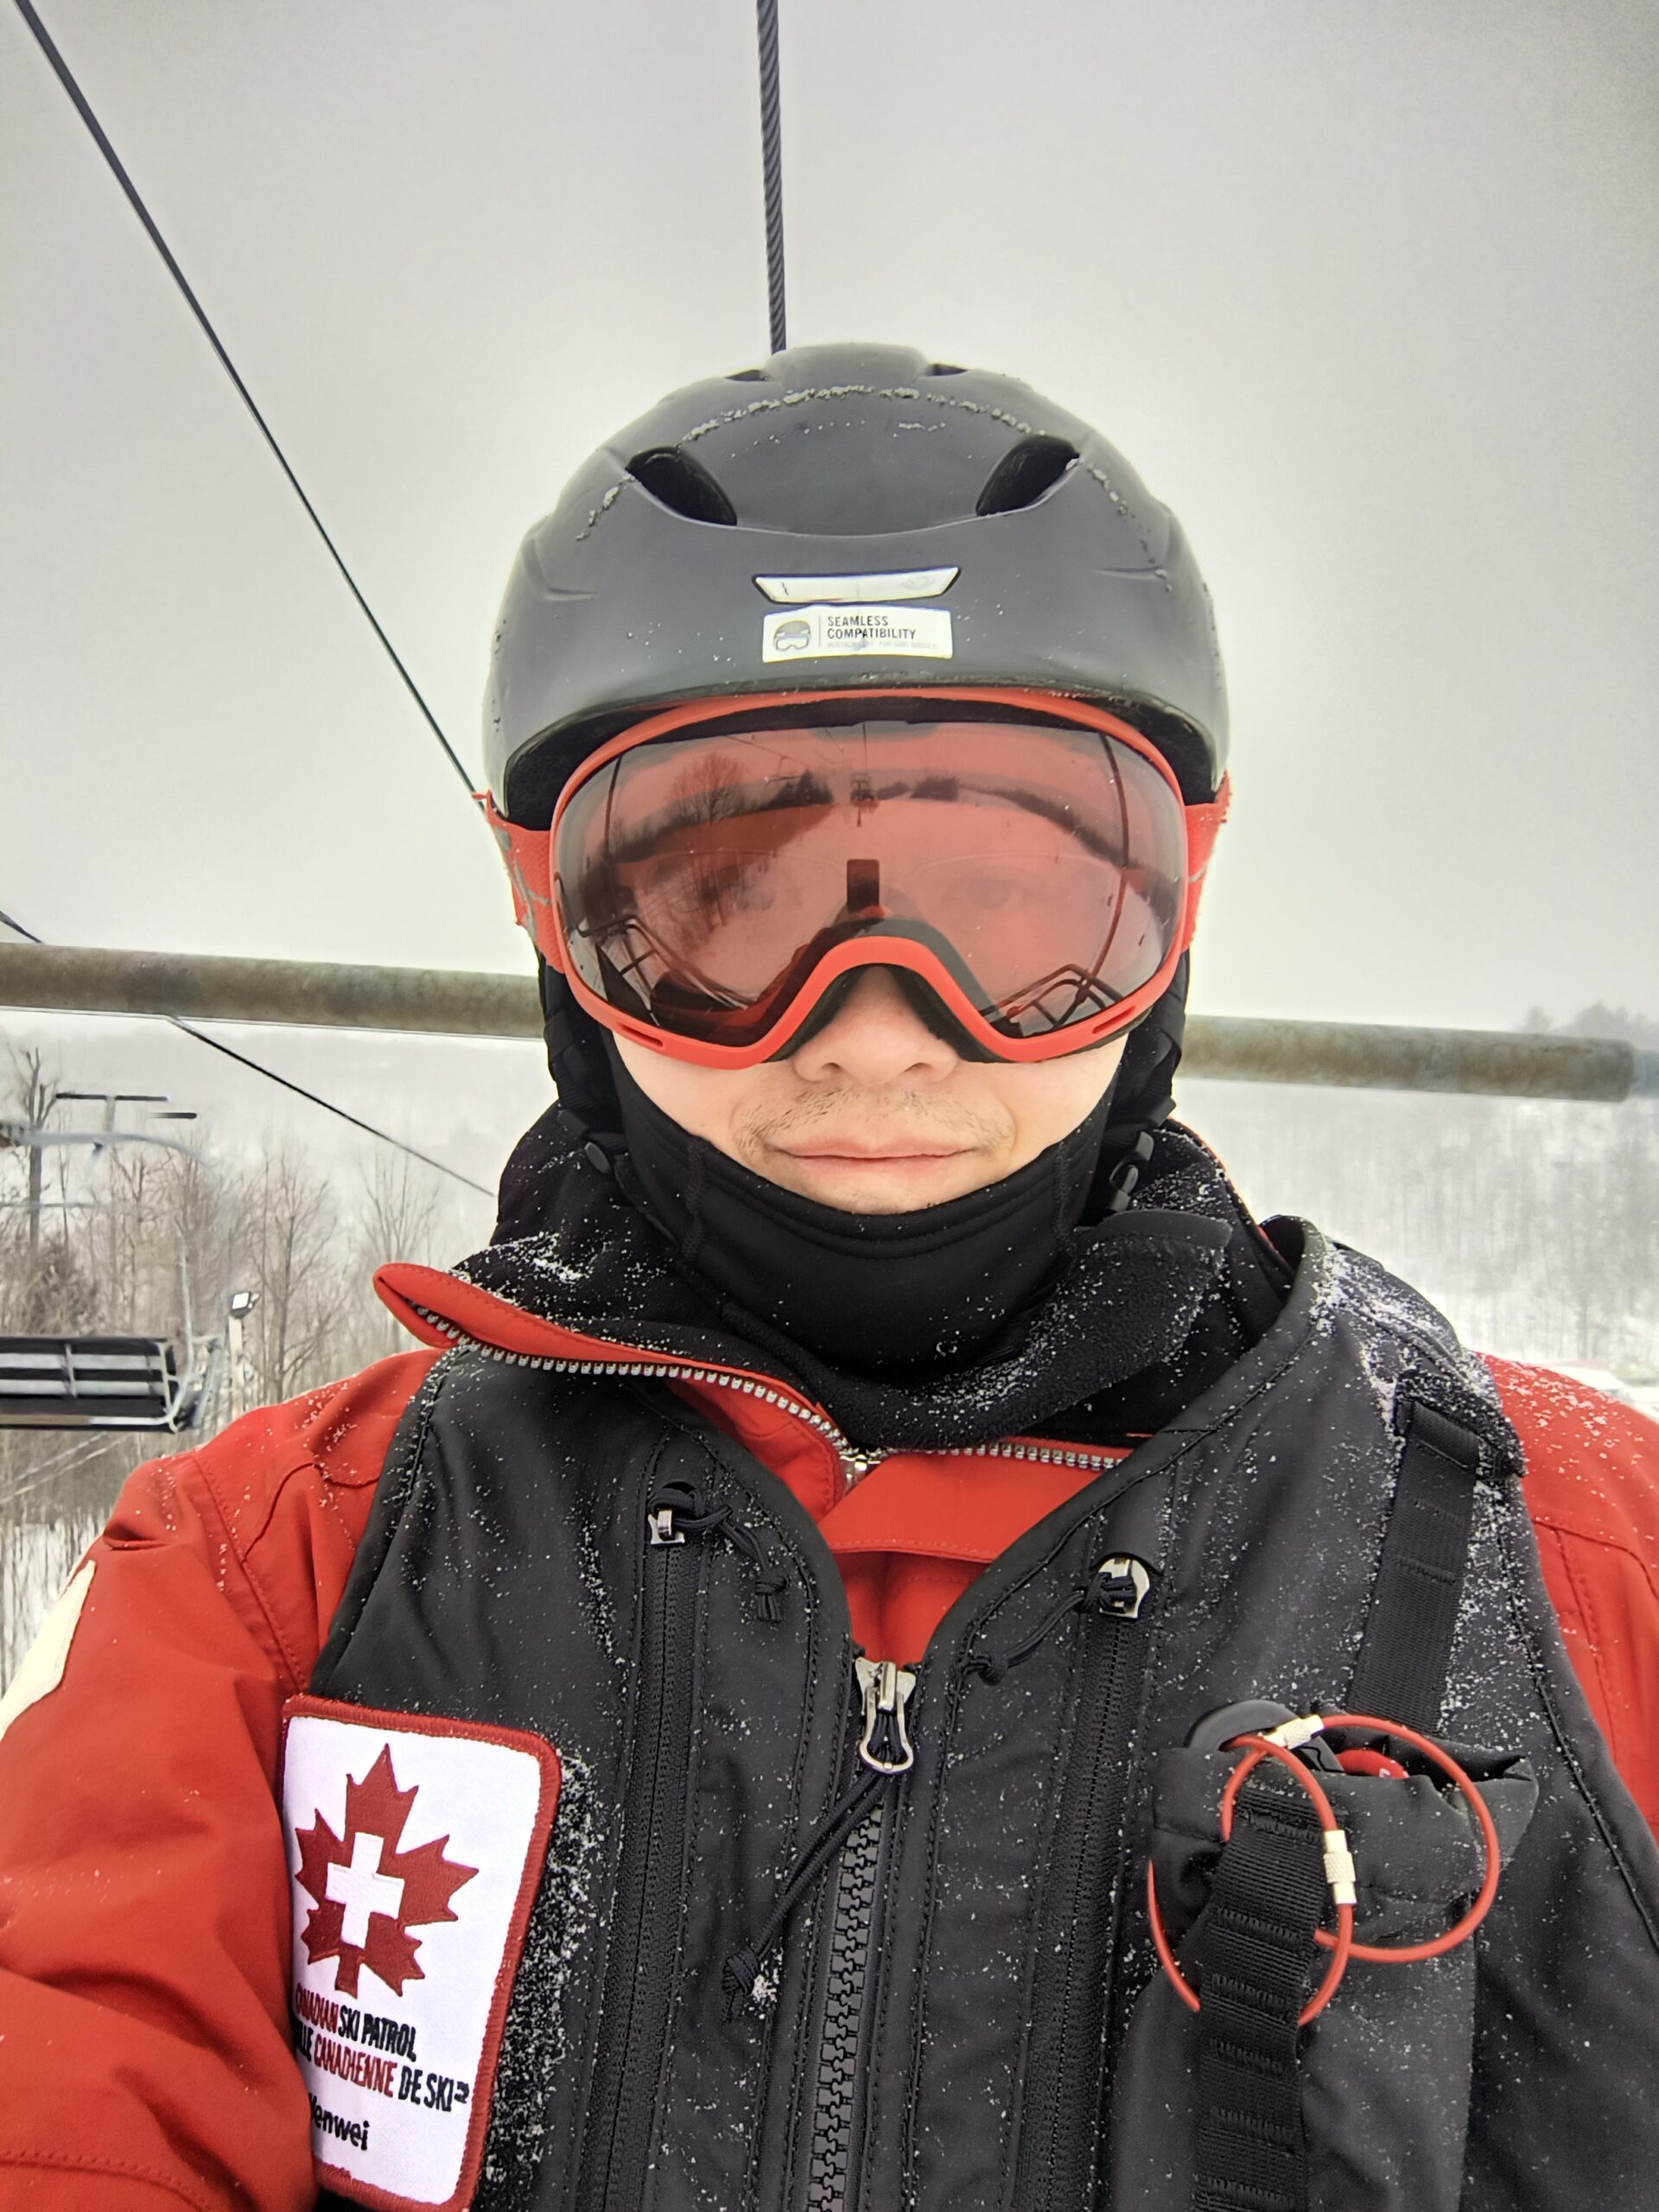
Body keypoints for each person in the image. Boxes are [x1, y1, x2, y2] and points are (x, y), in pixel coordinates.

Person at [2, 343, 1656, 2212]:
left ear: (1174, 901)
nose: (877, 1031)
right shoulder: (279, 1572)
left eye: (1012, 907)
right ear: (557, 921)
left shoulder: (1572, 1560)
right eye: (730, 908)